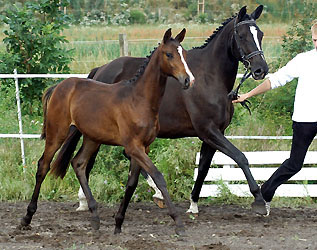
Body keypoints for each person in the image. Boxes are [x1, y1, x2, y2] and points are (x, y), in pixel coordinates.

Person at [233, 22, 317, 216]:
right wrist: (247, 95)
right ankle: (265, 193)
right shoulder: (303, 60)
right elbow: (275, 80)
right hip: (305, 119)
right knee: (295, 164)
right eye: (314, 40)